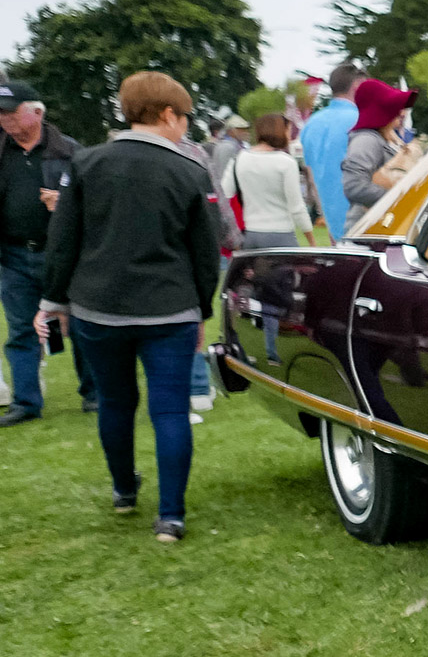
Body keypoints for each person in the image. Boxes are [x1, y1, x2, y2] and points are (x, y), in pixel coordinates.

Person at [33, 72, 219, 542]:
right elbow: (204, 253)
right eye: (185, 118)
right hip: (170, 309)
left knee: (115, 402)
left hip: (98, 308)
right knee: (170, 411)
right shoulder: (191, 171)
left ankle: (123, 491)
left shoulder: (86, 163)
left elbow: (64, 240)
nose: (186, 128)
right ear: (167, 115)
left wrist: (52, 301)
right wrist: (202, 309)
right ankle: (170, 516)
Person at [0, 80, 96, 424]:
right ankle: (25, 403)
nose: (4, 119)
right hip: (12, 256)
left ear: (36, 113)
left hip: (64, 255)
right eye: (0, 113)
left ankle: (94, 394)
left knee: (81, 324)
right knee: (21, 330)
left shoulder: (70, 152)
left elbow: (97, 205)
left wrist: (66, 206)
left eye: (10, 112)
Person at [223, 113, 315, 248]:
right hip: (281, 233)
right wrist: (311, 240)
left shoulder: (238, 159)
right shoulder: (286, 162)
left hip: (250, 233)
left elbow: (226, 194)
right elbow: (296, 207)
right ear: (280, 131)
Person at [341, 79, 422, 221]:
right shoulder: (367, 140)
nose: (402, 113)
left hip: (380, 225)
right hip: (371, 228)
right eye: (394, 107)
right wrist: (398, 199)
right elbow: (354, 186)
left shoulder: (387, 139)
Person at [300, 63, 362, 241]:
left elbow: (311, 175)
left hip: (331, 217)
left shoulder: (311, 124)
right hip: (362, 218)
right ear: (356, 86)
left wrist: (325, 213)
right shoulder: (361, 119)